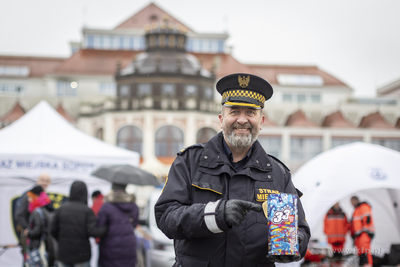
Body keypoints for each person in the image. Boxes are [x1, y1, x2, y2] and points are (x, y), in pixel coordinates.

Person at [155, 73, 310, 266]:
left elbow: (301, 230)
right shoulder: (189, 162)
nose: (242, 120)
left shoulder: (278, 173)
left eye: (251, 113)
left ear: (261, 122)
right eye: (234, 111)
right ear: (222, 119)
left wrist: (291, 243)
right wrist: (215, 215)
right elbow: (166, 217)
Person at [51, 180, 107, 267]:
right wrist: (105, 227)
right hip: (81, 255)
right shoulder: (87, 211)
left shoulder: (61, 209)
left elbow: (52, 230)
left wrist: (62, 240)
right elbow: (93, 232)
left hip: (63, 253)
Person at [96, 183, 139, 267]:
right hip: (129, 246)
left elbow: (100, 227)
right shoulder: (133, 205)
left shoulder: (106, 206)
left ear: (113, 188)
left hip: (109, 247)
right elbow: (135, 223)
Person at [24, 185, 55, 267]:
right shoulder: (47, 209)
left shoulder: (37, 211)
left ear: (36, 196)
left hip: (38, 246)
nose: (28, 200)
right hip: (49, 246)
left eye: (30, 197)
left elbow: (38, 230)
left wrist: (29, 232)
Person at [350, 196, 375, 267]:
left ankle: (367, 265)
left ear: (355, 200)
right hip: (359, 235)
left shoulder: (363, 206)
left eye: (352, 202)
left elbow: (367, 219)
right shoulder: (357, 209)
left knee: (365, 252)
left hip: (364, 234)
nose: (351, 204)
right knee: (361, 253)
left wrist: (366, 230)